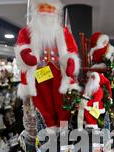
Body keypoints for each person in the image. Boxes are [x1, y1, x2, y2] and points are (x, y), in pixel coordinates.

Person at [14, 0, 81, 130]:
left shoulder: (64, 32)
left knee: (63, 101)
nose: (46, 10)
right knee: (43, 102)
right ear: (36, 10)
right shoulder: (26, 32)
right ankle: (50, 126)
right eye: (42, 7)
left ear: (55, 12)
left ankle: (64, 127)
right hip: (39, 72)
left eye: (50, 8)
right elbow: (21, 47)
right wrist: (26, 55)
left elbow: (72, 49)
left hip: (59, 73)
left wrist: (71, 61)